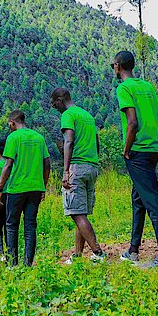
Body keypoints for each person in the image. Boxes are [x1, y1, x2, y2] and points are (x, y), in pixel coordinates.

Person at [112, 50, 158, 268]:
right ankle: (133, 250)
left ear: (118, 66)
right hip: (154, 147)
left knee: (152, 200)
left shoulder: (124, 88)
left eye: (113, 65)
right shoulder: (148, 87)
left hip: (137, 150)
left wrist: (126, 149)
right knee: (138, 198)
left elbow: (132, 122)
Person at [50, 87, 106, 264]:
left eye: (54, 105)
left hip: (77, 167)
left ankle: (98, 253)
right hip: (92, 166)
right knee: (81, 213)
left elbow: (69, 141)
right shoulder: (87, 116)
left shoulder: (68, 115)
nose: (55, 108)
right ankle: (78, 255)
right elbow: (97, 142)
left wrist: (66, 171)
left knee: (76, 214)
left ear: (60, 100)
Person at [0, 110, 51, 267]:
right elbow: (47, 164)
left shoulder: (13, 138)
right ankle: (28, 264)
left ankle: (13, 264)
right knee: (30, 225)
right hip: (35, 188)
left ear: (12, 122)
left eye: (9, 124)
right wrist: (43, 187)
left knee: (12, 226)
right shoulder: (39, 137)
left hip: (17, 188)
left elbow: (8, 164)